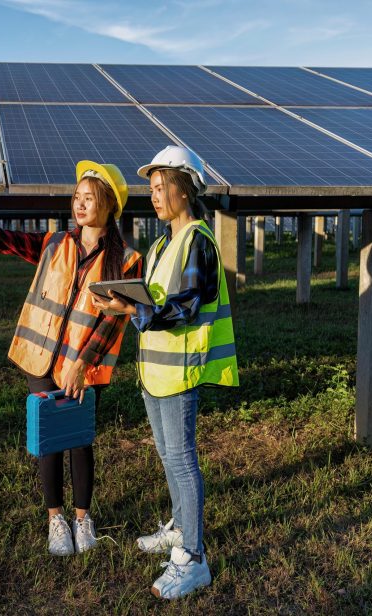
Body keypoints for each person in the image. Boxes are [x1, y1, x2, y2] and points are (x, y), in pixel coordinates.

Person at [0, 160, 142, 557]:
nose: (80, 204)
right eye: (77, 197)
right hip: (40, 360)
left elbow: (111, 324)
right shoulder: (55, 243)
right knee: (50, 438)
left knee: (80, 442)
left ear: (108, 206)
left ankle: (83, 518)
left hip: (83, 369)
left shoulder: (126, 259)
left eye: (89, 198)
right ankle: (56, 519)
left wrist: (81, 366)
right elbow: (4, 239)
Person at [91, 146, 238, 599]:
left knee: (182, 459)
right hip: (153, 372)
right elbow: (151, 301)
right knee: (168, 457)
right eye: (151, 189)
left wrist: (132, 308)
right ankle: (179, 528)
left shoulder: (197, 240)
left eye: (161, 188)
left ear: (184, 189)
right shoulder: (160, 245)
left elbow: (185, 305)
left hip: (179, 372)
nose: (154, 196)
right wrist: (124, 302)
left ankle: (193, 559)